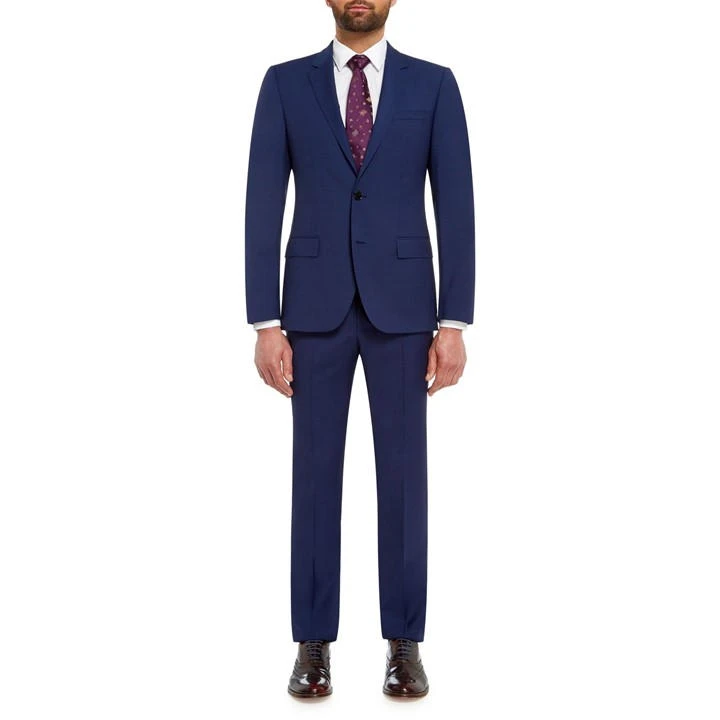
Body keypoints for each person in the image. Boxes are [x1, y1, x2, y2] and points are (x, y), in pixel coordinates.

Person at [244, 0, 475, 699]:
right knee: (314, 479)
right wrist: (265, 322)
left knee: (404, 479)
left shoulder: (435, 85)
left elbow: (456, 203)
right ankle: (312, 644)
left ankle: (404, 644)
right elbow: (262, 202)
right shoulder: (284, 84)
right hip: (311, 310)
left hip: (404, 311)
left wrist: (454, 321)